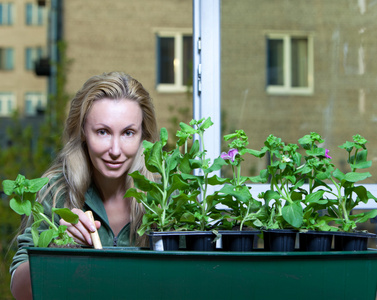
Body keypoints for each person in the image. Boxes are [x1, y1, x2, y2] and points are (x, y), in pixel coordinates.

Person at [9, 71, 158, 300]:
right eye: (102, 132)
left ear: (143, 137)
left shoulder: (165, 195)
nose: (115, 150)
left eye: (128, 133)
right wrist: (56, 249)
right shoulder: (55, 191)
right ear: (83, 134)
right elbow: (20, 291)